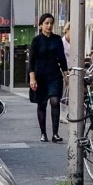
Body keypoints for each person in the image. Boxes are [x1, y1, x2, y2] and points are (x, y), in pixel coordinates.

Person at [28, 12, 68, 142]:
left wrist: (66, 74)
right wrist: (32, 78)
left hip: (54, 75)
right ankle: (43, 133)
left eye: (51, 23)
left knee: (55, 101)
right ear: (40, 25)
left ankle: (55, 134)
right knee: (42, 104)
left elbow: (62, 58)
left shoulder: (57, 39)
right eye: (46, 23)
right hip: (39, 76)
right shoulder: (36, 41)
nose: (49, 26)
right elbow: (32, 61)